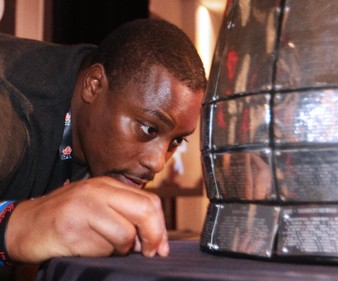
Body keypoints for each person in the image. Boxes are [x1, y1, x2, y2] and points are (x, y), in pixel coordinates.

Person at [0, 18, 207, 267]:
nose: (157, 162)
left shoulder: (102, 92)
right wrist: (21, 228)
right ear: (94, 85)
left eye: (176, 141)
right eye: (148, 128)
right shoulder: (10, 113)